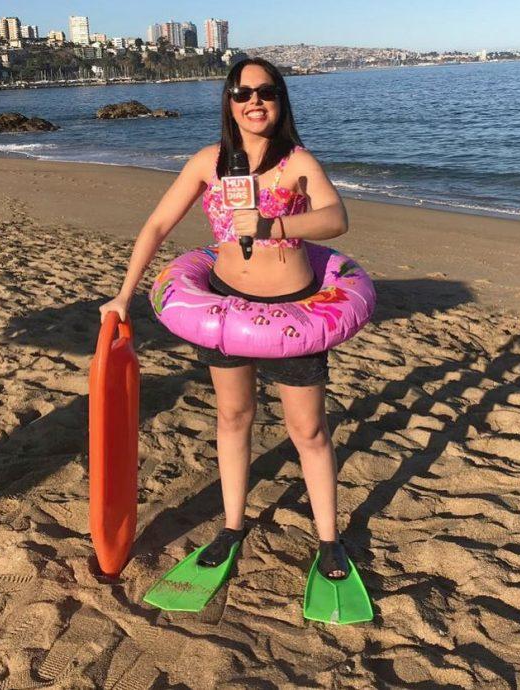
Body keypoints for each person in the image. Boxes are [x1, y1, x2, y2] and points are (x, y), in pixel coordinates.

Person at [100, 58, 352, 581]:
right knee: (234, 416)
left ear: (280, 100)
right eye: (243, 92)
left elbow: (335, 218)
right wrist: (123, 295)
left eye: (266, 91)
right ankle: (233, 525)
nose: (255, 101)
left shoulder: (297, 162)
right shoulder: (208, 163)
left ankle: (328, 540)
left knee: (308, 429)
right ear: (230, 103)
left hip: (293, 311)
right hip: (226, 305)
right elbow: (157, 225)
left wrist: (272, 224)